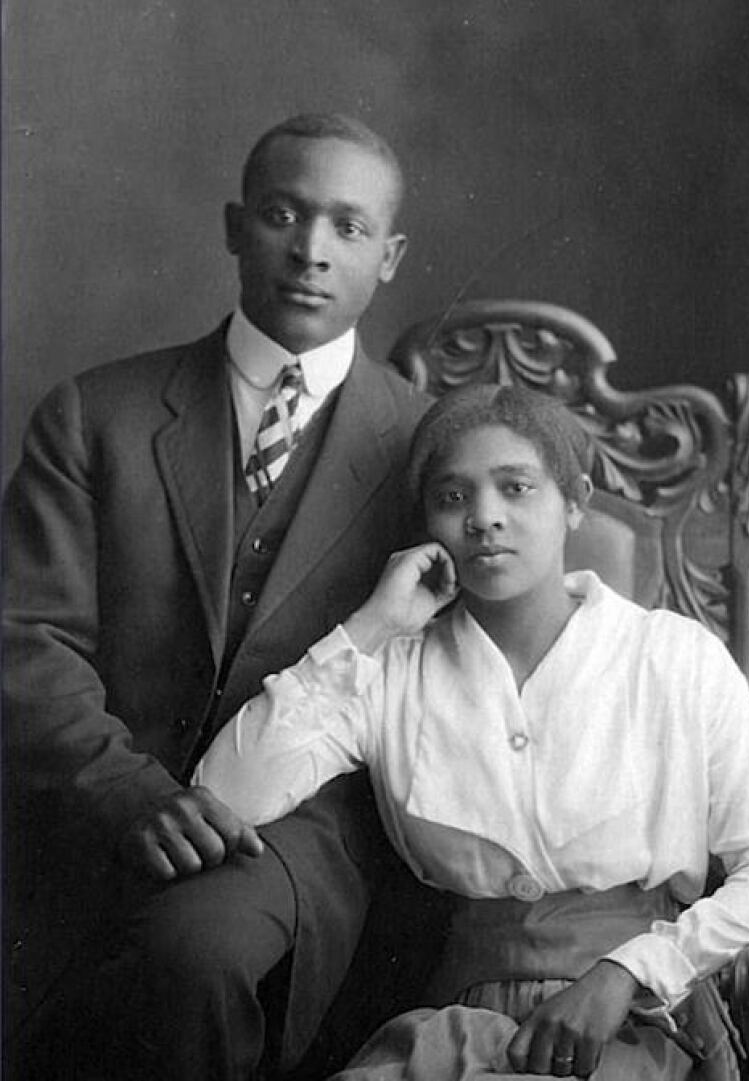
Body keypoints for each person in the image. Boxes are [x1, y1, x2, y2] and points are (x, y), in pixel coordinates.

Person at [3, 113, 431, 1081]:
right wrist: (127, 791)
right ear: (236, 227)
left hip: (295, 828)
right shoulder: (97, 414)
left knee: (194, 958)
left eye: (348, 228)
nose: (312, 252)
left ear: (390, 256)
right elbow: (24, 637)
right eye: (284, 214)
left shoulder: (424, 448)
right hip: (88, 801)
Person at [197, 383, 749, 1080]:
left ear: (574, 500)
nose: (484, 518)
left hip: (639, 1023)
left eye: (517, 488)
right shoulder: (392, 668)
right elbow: (226, 794)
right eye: (453, 497)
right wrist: (373, 625)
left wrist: (632, 969)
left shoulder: (674, 657)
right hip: (456, 1031)